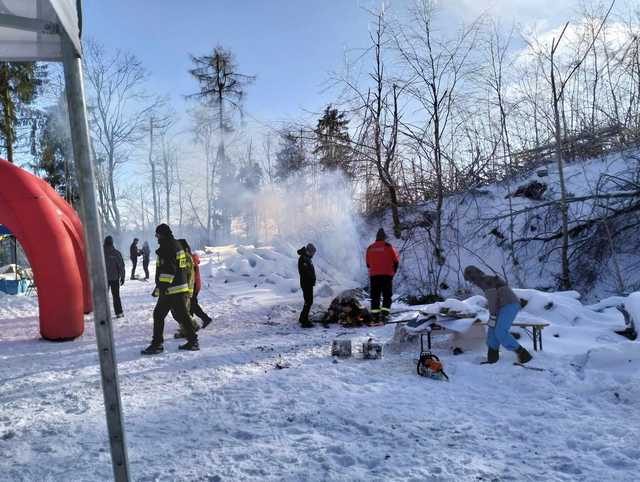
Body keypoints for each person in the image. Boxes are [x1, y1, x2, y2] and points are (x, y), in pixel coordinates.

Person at [141, 224, 199, 355]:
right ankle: (192, 341)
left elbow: (169, 270)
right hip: (177, 288)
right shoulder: (176, 245)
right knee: (182, 316)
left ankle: (157, 344)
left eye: (157, 235)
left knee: (159, 315)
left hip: (172, 290)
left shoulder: (168, 247)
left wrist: (162, 287)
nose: (156, 238)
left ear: (162, 234)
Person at [463, 265, 532, 365]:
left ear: (474, 276)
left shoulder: (486, 281)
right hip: (501, 306)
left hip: (510, 305)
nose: (472, 283)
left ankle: (523, 354)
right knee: (492, 330)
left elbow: (492, 300)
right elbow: (494, 300)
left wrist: (493, 315)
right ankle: (492, 358)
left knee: (500, 331)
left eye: (471, 280)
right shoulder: (485, 280)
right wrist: (493, 317)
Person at [173, 239, 211, 338]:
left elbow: (188, 274)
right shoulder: (191, 256)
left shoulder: (188, 257)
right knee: (191, 304)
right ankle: (192, 325)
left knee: (190, 305)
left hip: (192, 284)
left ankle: (193, 325)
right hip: (195, 283)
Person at [366, 228, 400, 321]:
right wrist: (393, 273)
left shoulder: (370, 248)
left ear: (376, 237)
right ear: (384, 237)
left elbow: (368, 264)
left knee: (375, 296)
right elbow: (396, 261)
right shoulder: (388, 246)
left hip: (374, 276)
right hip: (387, 275)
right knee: (387, 295)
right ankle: (385, 314)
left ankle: (375, 315)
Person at [103, 235, 125, 318]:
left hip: (103, 278)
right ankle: (119, 312)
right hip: (114, 278)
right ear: (112, 242)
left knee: (103, 297)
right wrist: (122, 277)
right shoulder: (116, 253)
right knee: (116, 296)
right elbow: (121, 266)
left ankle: (103, 313)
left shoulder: (100, 253)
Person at [297, 243, 316, 328]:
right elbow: (305, 272)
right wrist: (311, 280)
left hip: (308, 283)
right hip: (306, 283)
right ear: (309, 251)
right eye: (312, 253)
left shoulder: (307, 258)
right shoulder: (304, 259)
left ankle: (302, 318)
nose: (313, 255)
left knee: (308, 301)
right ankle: (304, 320)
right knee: (308, 301)